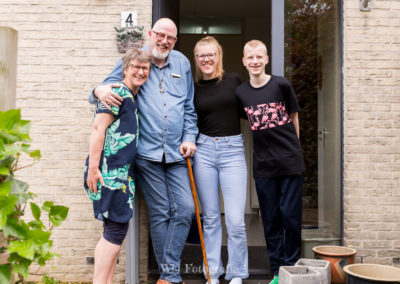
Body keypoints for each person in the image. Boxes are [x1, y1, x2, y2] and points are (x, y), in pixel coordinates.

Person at [89, 18, 198, 284]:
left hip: (176, 153)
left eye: (170, 38)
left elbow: (189, 109)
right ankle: (169, 278)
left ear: (175, 40)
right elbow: (104, 90)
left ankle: (168, 273)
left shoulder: (182, 63)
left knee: (184, 210)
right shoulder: (138, 60)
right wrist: (98, 89)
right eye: (160, 35)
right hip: (147, 154)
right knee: (161, 213)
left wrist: (190, 137)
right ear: (150, 34)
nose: (164, 41)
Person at [235, 40, 305, 284]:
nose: (255, 61)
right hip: (263, 166)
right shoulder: (242, 93)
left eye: (259, 57)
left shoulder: (281, 84)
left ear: (266, 59)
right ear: (244, 61)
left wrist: (295, 151)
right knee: (272, 220)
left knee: (291, 218)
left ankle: (293, 269)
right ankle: (277, 270)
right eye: (250, 57)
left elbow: (294, 117)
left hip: (289, 162)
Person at [84, 48, 152, 284]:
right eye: (136, 67)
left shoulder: (131, 96)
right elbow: (97, 129)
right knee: (114, 232)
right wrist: (94, 169)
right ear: (125, 69)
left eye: (145, 68)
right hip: (108, 173)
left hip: (121, 174)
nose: (140, 72)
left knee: (114, 230)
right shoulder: (118, 93)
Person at [192, 36, 248, 284]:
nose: (206, 59)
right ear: (196, 59)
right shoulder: (193, 89)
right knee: (211, 218)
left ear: (219, 56)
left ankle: (236, 272)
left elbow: (252, 108)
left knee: (235, 221)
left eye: (211, 54)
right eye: (201, 55)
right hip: (203, 151)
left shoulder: (234, 80)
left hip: (232, 151)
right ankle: (212, 273)